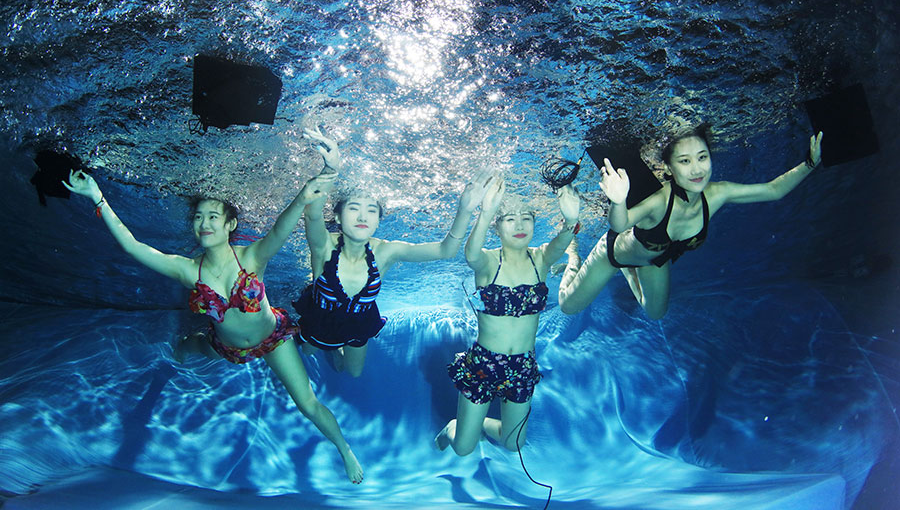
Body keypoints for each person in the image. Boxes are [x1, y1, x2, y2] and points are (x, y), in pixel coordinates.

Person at [62, 151, 365, 484]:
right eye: (198, 218)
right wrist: (97, 196)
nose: (204, 224)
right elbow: (134, 247)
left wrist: (315, 184)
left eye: (212, 216)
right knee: (194, 346)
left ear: (229, 223)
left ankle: (345, 450)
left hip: (272, 339)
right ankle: (182, 347)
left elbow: (284, 223)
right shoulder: (189, 270)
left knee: (307, 402)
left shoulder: (252, 257)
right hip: (227, 346)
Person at [558, 124, 823, 320]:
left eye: (702, 157)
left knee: (655, 313)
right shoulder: (660, 201)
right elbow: (618, 225)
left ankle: (630, 269)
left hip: (653, 259)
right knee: (568, 306)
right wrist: (618, 200)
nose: (697, 169)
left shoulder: (718, 193)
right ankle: (572, 255)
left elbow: (773, 190)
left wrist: (810, 164)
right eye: (684, 161)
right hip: (614, 252)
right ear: (670, 168)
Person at [292, 128, 494, 378]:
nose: (363, 216)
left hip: (358, 324)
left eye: (371, 211)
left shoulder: (387, 250)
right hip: (320, 318)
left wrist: (465, 210)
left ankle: (336, 351)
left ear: (378, 219)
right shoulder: (324, 245)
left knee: (353, 372)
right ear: (338, 216)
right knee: (309, 351)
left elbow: (446, 250)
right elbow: (311, 213)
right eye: (354, 209)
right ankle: (326, 343)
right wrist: (331, 170)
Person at [435, 176, 580, 456]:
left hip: (523, 365)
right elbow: (471, 253)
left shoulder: (541, 259)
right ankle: (456, 427)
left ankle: (476, 424)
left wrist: (570, 218)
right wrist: (486, 211)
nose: (520, 225)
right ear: (497, 227)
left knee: (514, 443)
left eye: (527, 218)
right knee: (463, 449)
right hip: (484, 363)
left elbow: (562, 241)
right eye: (510, 219)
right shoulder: (489, 261)